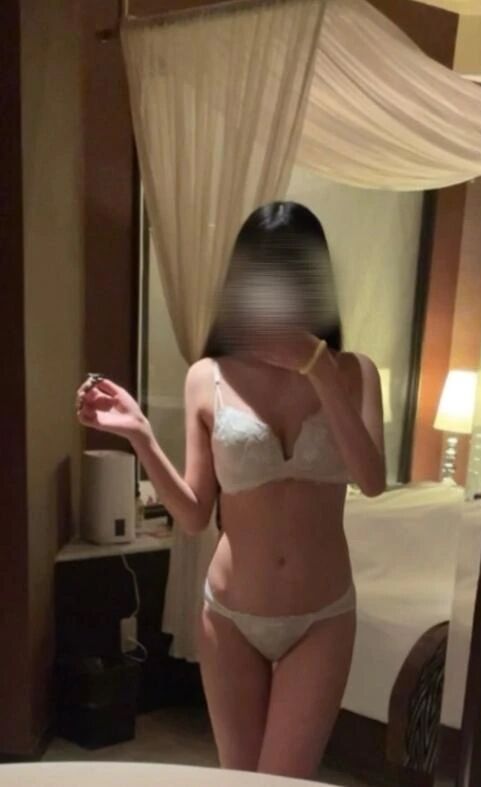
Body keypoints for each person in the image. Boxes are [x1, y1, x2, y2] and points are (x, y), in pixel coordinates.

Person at [76, 202, 386, 779]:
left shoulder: (355, 372)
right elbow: (195, 515)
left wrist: (319, 369)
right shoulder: (208, 376)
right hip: (230, 617)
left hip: (321, 617)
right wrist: (142, 435)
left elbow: (371, 479)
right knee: (238, 780)